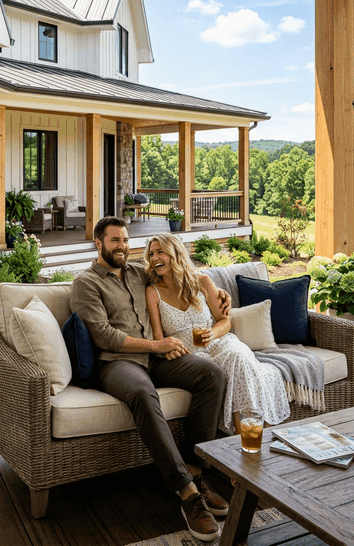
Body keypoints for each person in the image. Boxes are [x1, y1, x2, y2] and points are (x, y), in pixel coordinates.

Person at [70, 217, 230, 542]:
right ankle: (186, 492)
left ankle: (198, 471)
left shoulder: (135, 272)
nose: (122, 247)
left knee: (212, 374)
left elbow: (175, 268)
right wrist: (157, 345)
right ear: (98, 244)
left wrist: (216, 290)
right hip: (118, 363)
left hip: (155, 360)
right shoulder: (86, 283)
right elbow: (103, 336)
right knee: (144, 394)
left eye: (126, 241)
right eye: (115, 241)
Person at [144, 233, 291, 434]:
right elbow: (159, 338)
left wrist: (212, 334)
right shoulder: (153, 292)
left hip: (220, 342)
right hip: (190, 355)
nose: (154, 258)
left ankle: (248, 437)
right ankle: (250, 438)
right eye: (151, 254)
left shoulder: (202, 281)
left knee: (237, 356)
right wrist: (166, 350)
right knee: (229, 367)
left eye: (160, 252)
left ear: (176, 253)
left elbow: (224, 321)